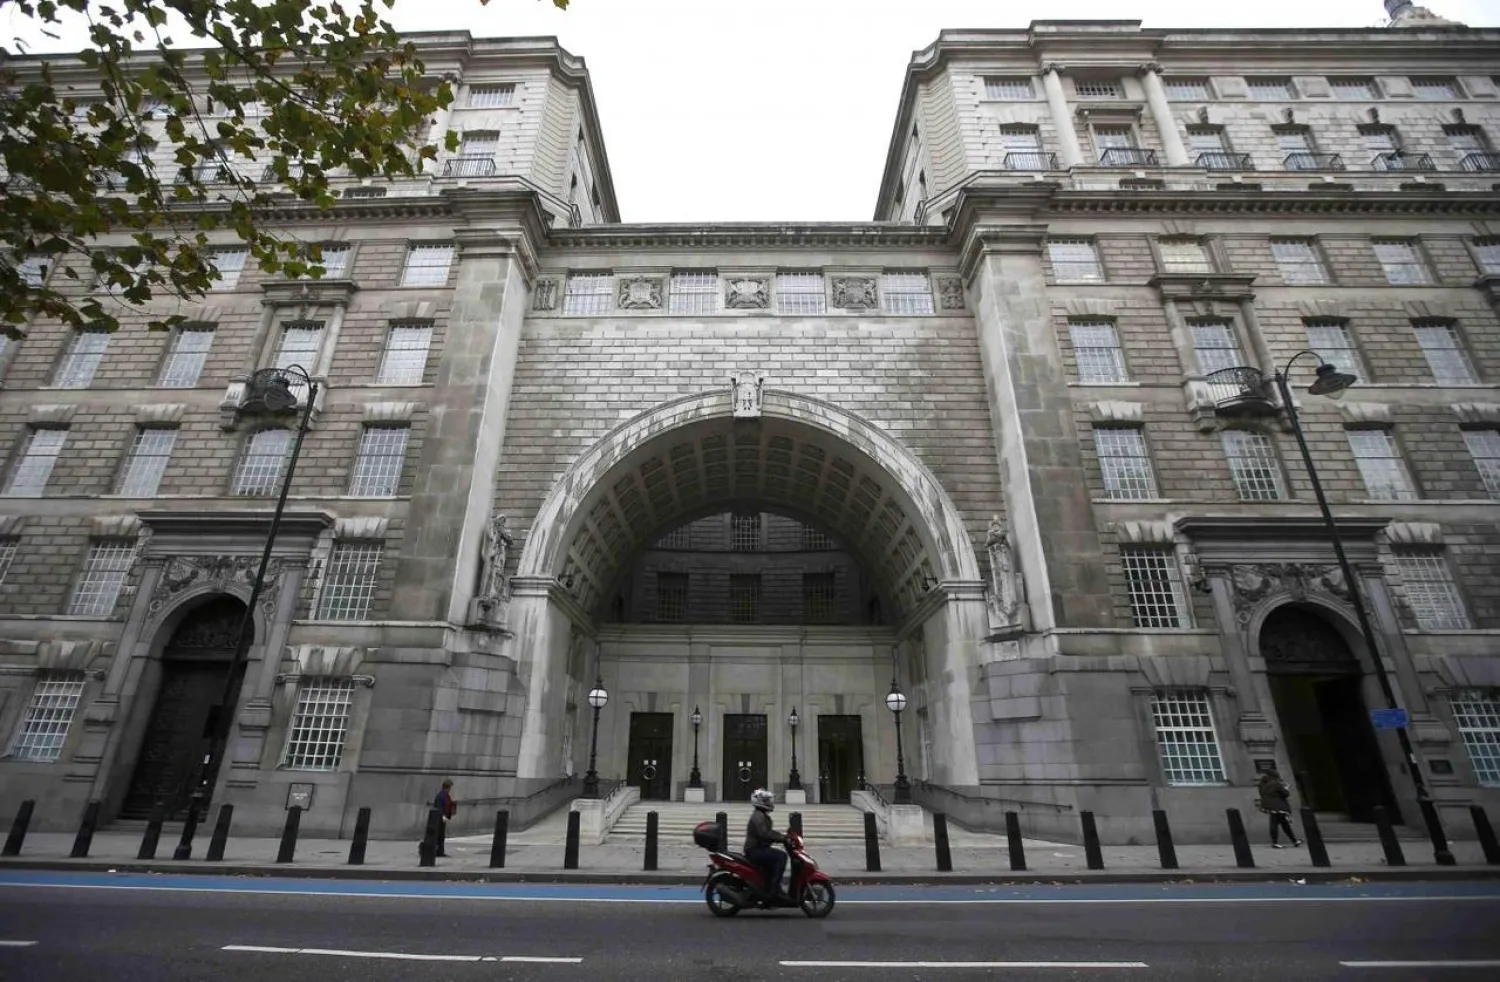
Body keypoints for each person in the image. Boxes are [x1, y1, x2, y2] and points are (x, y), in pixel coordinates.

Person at [743, 788, 788, 901]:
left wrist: (783, 836)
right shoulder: (758, 816)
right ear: (760, 802)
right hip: (755, 850)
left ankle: (772, 887)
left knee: (774, 859)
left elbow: (769, 833)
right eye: (767, 800)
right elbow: (765, 834)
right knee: (781, 857)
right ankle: (773, 891)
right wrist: (782, 838)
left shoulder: (761, 815)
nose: (770, 803)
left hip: (758, 848)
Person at [1257, 767, 1302, 849]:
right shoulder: (1275, 783)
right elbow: (1285, 794)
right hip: (1278, 806)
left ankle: (1294, 841)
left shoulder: (1262, 783)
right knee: (1277, 823)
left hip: (1269, 806)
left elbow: (1262, 794)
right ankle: (1276, 842)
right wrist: (1286, 788)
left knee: (1284, 824)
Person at [433, 779, 457, 858]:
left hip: (442, 817)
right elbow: (440, 807)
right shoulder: (441, 795)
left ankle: (440, 850)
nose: (450, 790)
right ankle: (438, 850)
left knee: (441, 835)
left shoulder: (444, 795)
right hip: (440, 818)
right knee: (439, 835)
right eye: (450, 788)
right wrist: (443, 816)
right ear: (447, 787)